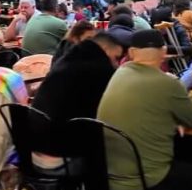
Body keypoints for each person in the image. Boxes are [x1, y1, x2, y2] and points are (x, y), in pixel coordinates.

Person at [97, 30, 192, 190]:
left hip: (106, 173)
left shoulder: (120, 74)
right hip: (143, 178)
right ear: (164, 52)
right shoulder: (167, 84)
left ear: (131, 52)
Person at [31, 32, 124, 161]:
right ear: (106, 49)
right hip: (62, 150)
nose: (116, 64)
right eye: (116, 58)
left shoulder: (69, 59)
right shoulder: (97, 69)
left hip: (38, 141)